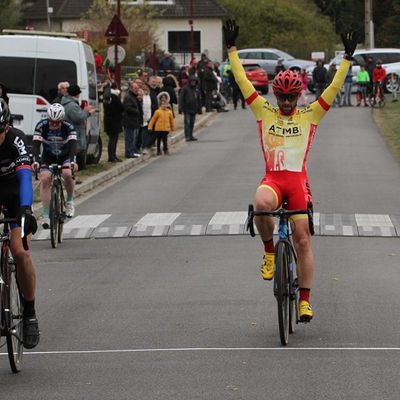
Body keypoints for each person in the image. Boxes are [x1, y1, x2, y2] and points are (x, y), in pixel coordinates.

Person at [223, 19, 357, 322]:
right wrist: (232, 50)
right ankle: (270, 251)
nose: (284, 102)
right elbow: (243, 81)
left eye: (290, 97)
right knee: (260, 205)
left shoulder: (311, 115)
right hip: (273, 179)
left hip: (297, 183)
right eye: (281, 97)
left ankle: (305, 300)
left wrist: (347, 59)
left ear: (298, 96)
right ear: (275, 95)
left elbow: (334, 88)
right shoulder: (263, 110)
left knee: (303, 239)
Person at [0, 99, 40, 349]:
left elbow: (25, 177)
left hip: (16, 194)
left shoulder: (16, 140)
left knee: (21, 252)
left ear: (5, 127)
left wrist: (26, 209)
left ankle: (29, 312)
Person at [32, 103, 78, 223]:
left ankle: (69, 201)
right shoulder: (41, 126)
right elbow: (35, 146)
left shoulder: (69, 127)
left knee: (67, 173)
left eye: (57, 122)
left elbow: (73, 145)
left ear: (62, 120)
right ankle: (46, 215)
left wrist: (73, 161)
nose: (54, 124)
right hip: (48, 157)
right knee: (45, 179)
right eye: (51, 122)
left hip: (65, 156)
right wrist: (36, 161)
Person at [61, 84, 95, 168]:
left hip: (70, 132)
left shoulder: (68, 103)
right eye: (78, 93)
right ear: (76, 94)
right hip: (75, 132)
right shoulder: (72, 105)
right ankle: (73, 172)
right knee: (74, 154)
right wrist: (88, 112)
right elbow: (79, 117)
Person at [103, 82, 124, 162]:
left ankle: (112, 155)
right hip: (115, 121)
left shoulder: (106, 97)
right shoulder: (114, 97)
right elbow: (121, 108)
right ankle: (112, 156)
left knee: (112, 138)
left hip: (108, 120)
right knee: (113, 139)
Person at [122, 82, 142, 158]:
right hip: (129, 121)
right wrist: (136, 111)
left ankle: (132, 151)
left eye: (137, 88)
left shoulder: (135, 97)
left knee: (133, 138)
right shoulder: (128, 97)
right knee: (129, 138)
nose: (137, 90)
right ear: (131, 88)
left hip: (134, 121)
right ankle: (128, 152)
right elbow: (127, 108)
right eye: (135, 88)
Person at [179, 75, 202, 142]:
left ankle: (191, 135)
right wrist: (181, 108)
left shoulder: (196, 89)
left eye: (195, 81)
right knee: (187, 123)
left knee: (192, 123)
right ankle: (187, 136)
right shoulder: (185, 88)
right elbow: (181, 98)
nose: (193, 83)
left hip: (194, 108)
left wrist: (199, 109)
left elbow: (198, 99)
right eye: (192, 81)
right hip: (187, 109)